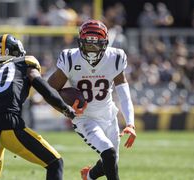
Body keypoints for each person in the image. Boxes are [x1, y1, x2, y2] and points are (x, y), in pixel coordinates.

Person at [0, 34, 85, 180]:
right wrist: (65, 108)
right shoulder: (24, 63)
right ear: (17, 52)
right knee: (55, 162)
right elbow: (44, 88)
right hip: (10, 126)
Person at [48, 20, 136, 180]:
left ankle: (88, 176)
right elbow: (49, 89)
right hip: (85, 118)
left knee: (111, 160)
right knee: (109, 154)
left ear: (105, 44)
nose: (92, 50)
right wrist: (67, 110)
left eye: (96, 45)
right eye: (88, 45)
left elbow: (123, 92)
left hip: (109, 115)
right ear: (80, 43)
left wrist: (130, 123)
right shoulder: (70, 58)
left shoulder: (115, 57)